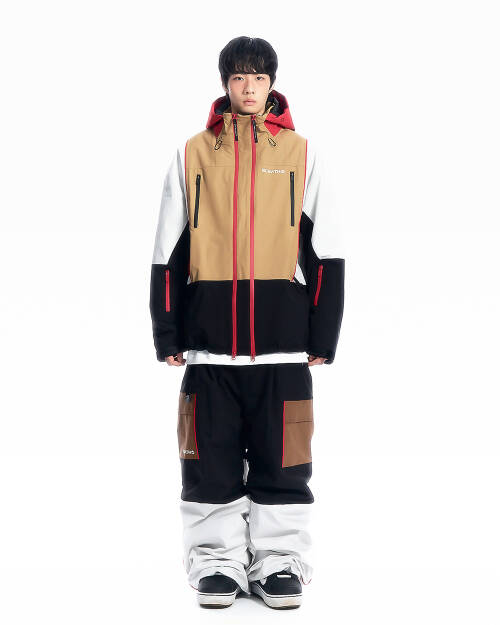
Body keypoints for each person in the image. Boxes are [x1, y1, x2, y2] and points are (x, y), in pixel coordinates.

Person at [149, 36, 345, 609]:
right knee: (207, 460)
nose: (249, 87)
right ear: (225, 84)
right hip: (209, 347)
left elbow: (326, 251)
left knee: (284, 460)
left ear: (272, 82)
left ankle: (280, 561)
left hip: (282, 346)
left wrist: (323, 333)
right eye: (239, 77)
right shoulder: (192, 154)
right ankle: (216, 563)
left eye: (259, 77)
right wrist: (167, 331)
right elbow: (168, 250)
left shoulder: (302, 154)